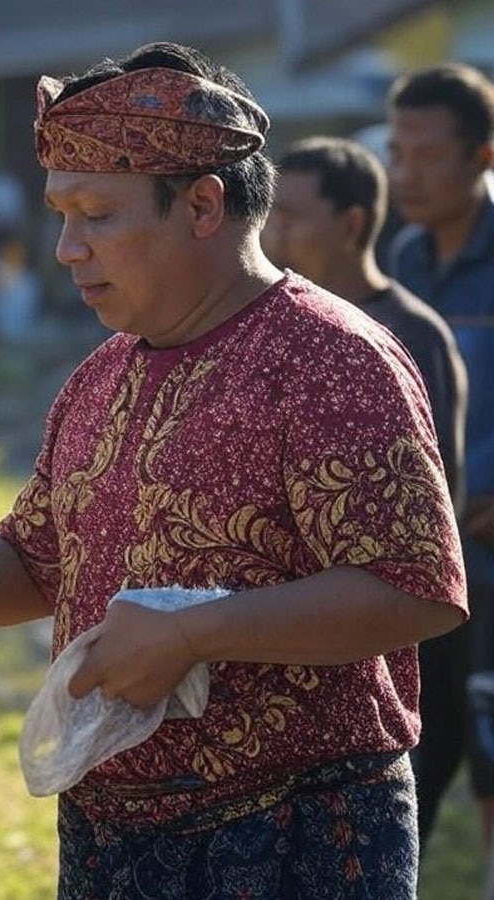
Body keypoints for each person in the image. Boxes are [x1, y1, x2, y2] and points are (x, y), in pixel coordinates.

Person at [0, 42, 467, 898]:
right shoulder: (102, 376)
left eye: (96, 214)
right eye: (60, 214)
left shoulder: (331, 359)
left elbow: (414, 590)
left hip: (295, 832)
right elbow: (23, 569)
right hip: (110, 830)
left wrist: (192, 633)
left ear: (204, 205)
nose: (67, 248)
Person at [263, 134, 471, 850]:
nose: (272, 231)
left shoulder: (408, 334)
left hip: (396, 645)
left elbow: (423, 520)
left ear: (352, 224)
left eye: (291, 215)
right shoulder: (274, 333)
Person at [384, 61, 494, 856]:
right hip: (429, 562)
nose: (406, 173)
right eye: (398, 152)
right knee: (426, 758)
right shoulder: (400, 264)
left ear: (483, 155)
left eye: (427, 154)